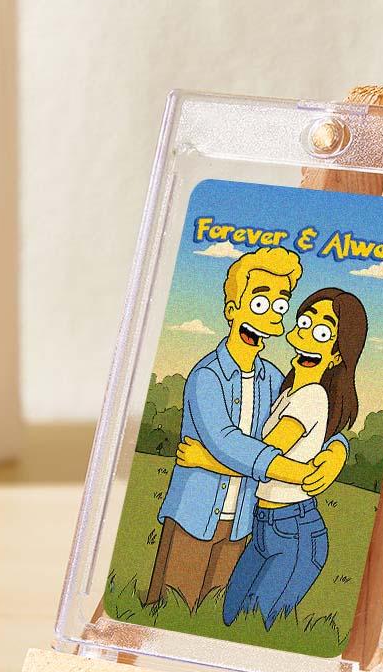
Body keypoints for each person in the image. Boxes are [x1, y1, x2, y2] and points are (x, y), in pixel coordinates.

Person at [144, 247, 349, 612]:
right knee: (173, 609)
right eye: (259, 303)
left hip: (243, 522)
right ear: (232, 309)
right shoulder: (207, 377)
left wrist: (337, 449)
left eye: (280, 306)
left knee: (216, 615)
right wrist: (301, 474)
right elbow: (228, 443)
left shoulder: (274, 378)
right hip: (194, 516)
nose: (270, 315)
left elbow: (314, 416)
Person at [177, 288, 368, 629]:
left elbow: (260, 456)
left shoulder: (309, 397)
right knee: (228, 616)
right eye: (305, 323)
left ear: (338, 355)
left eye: (322, 332)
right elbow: (297, 442)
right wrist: (334, 448)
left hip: (294, 529)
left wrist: (205, 460)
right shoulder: (284, 388)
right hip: (266, 525)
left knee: (253, 626)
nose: (307, 334)